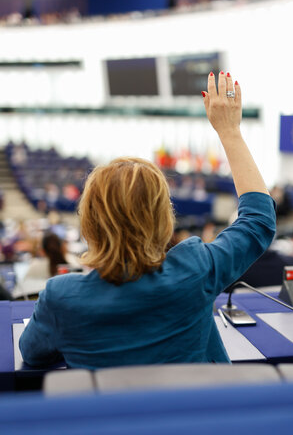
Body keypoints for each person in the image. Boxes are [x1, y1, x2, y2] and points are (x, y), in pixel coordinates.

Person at [19, 72, 276, 369]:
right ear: (163, 218)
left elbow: (32, 354)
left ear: (89, 221)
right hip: (197, 412)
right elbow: (258, 219)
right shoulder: (196, 269)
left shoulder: (60, 298)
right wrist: (229, 132)